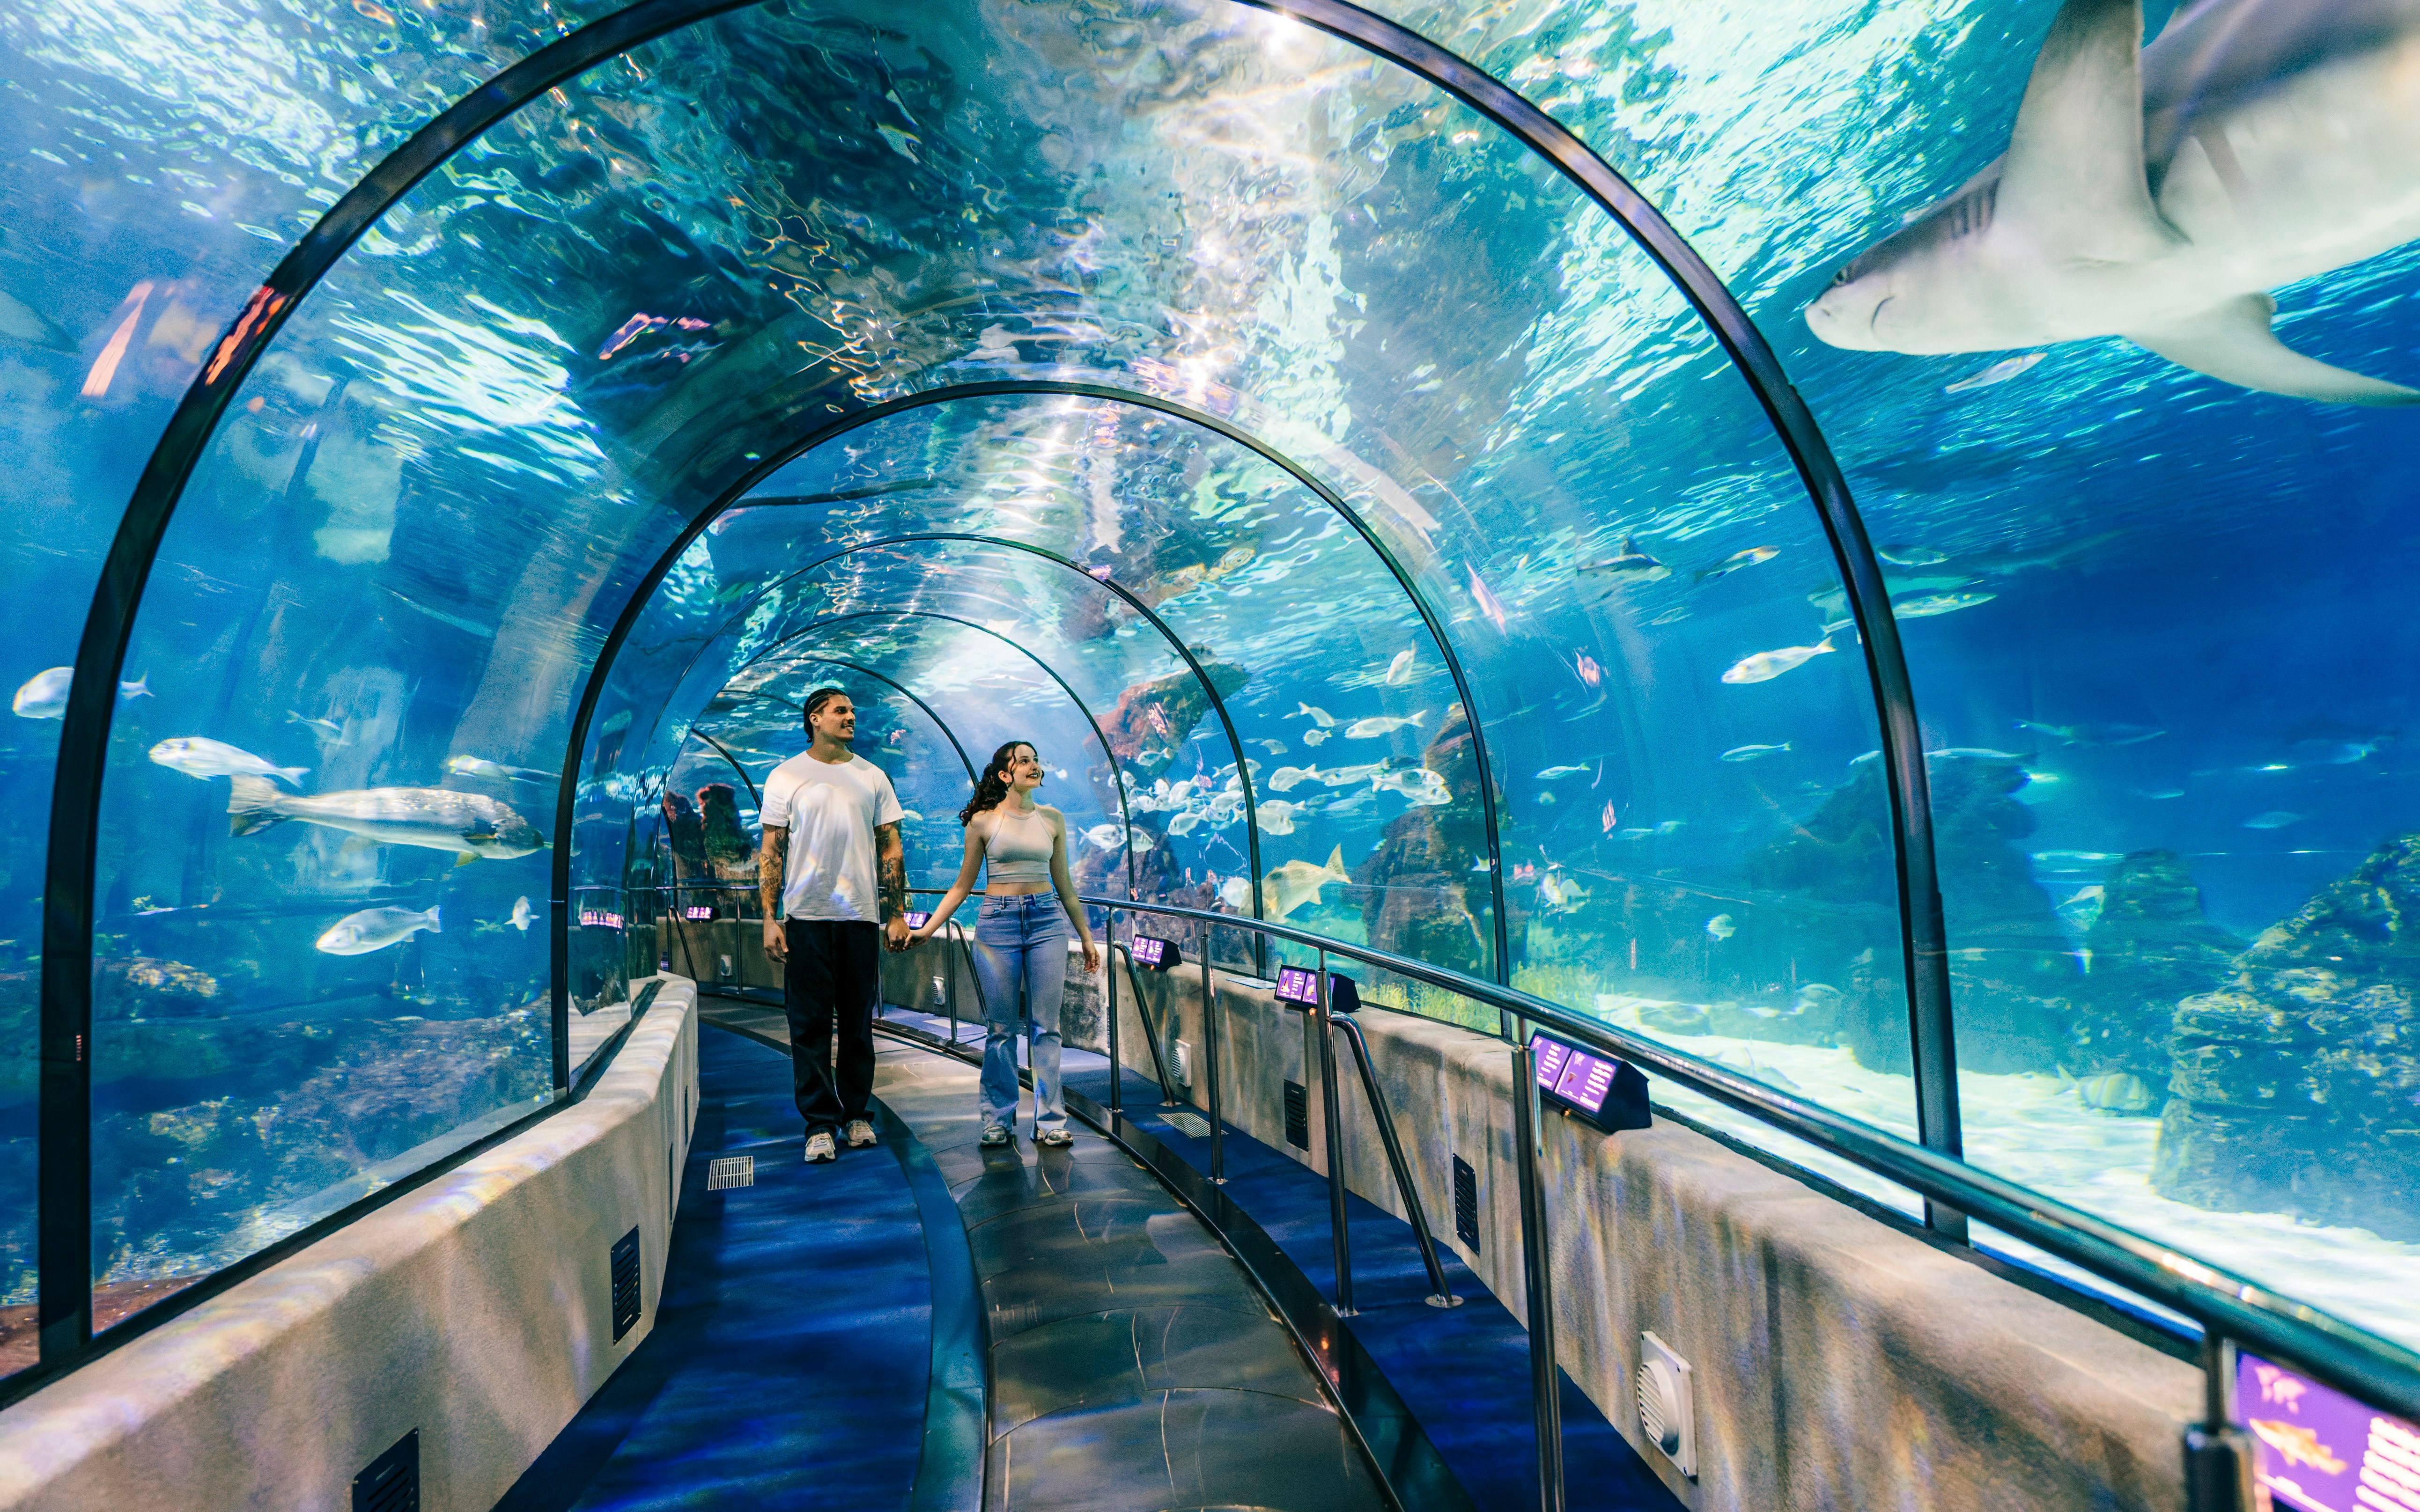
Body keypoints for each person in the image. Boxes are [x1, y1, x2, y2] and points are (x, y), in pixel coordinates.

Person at [911, 741, 1099, 1147]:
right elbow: (963, 886)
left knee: (1047, 1027)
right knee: (999, 1029)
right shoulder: (982, 821)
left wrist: (1085, 936)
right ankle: (997, 1118)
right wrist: (928, 929)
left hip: (1047, 920)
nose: (1035, 766)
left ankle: (1050, 1121)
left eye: (1037, 759)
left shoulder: (1053, 819)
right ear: (1004, 774)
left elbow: (1065, 886)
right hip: (997, 924)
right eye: (1025, 760)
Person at [758, 687, 911, 1164]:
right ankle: (819, 1123)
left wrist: (896, 911)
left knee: (858, 1023)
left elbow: (891, 848)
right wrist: (769, 917)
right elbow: (771, 851)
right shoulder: (785, 775)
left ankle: (856, 1114)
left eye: (851, 708)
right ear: (815, 718)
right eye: (841, 710)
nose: (851, 716)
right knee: (808, 1025)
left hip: (860, 917)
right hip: (805, 916)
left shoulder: (872, 775)